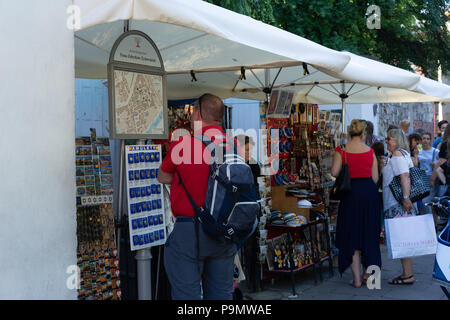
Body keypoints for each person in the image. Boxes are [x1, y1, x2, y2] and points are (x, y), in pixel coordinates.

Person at [157, 93, 237, 300]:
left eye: (193, 113)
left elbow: (162, 176)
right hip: (225, 230)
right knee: (221, 296)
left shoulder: (183, 144)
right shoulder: (233, 144)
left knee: (187, 297)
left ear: (200, 114)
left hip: (190, 230)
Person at [331, 119, 381, 288]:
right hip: (369, 194)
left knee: (351, 235)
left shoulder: (341, 151)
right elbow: (375, 178)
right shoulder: (370, 151)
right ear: (364, 133)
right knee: (369, 234)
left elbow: (334, 172)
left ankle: (357, 280)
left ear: (349, 132)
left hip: (350, 195)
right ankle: (369, 275)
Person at [382, 129, 417, 285]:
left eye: (388, 139)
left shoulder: (397, 155)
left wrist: (405, 198)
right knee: (405, 239)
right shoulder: (402, 154)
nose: (386, 141)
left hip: (397, 204)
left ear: (395, 140)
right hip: (400, 202)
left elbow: (405, 175)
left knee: (402, 239)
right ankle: (407, 273)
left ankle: (407, 274)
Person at [234, 134, 261, 293]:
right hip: (240, 212)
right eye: (246, 148)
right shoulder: (234, 164)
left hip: (250, 209)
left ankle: (250, 280)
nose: (248, 152)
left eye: (250, 148)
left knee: (250, 248)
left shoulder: (252, 163)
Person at [417, 132, 439, 214]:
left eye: (428, 138)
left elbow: (442, 164)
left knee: (426, 202)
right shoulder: (419, 151)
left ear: (430, 140)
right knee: (425, 203)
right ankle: (430, 223)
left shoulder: (435, 151)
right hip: (421, 178)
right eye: (424, 138)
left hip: (431, 178)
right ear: (421, 140)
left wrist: (435, 164)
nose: (425, 140)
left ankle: (430, 223)